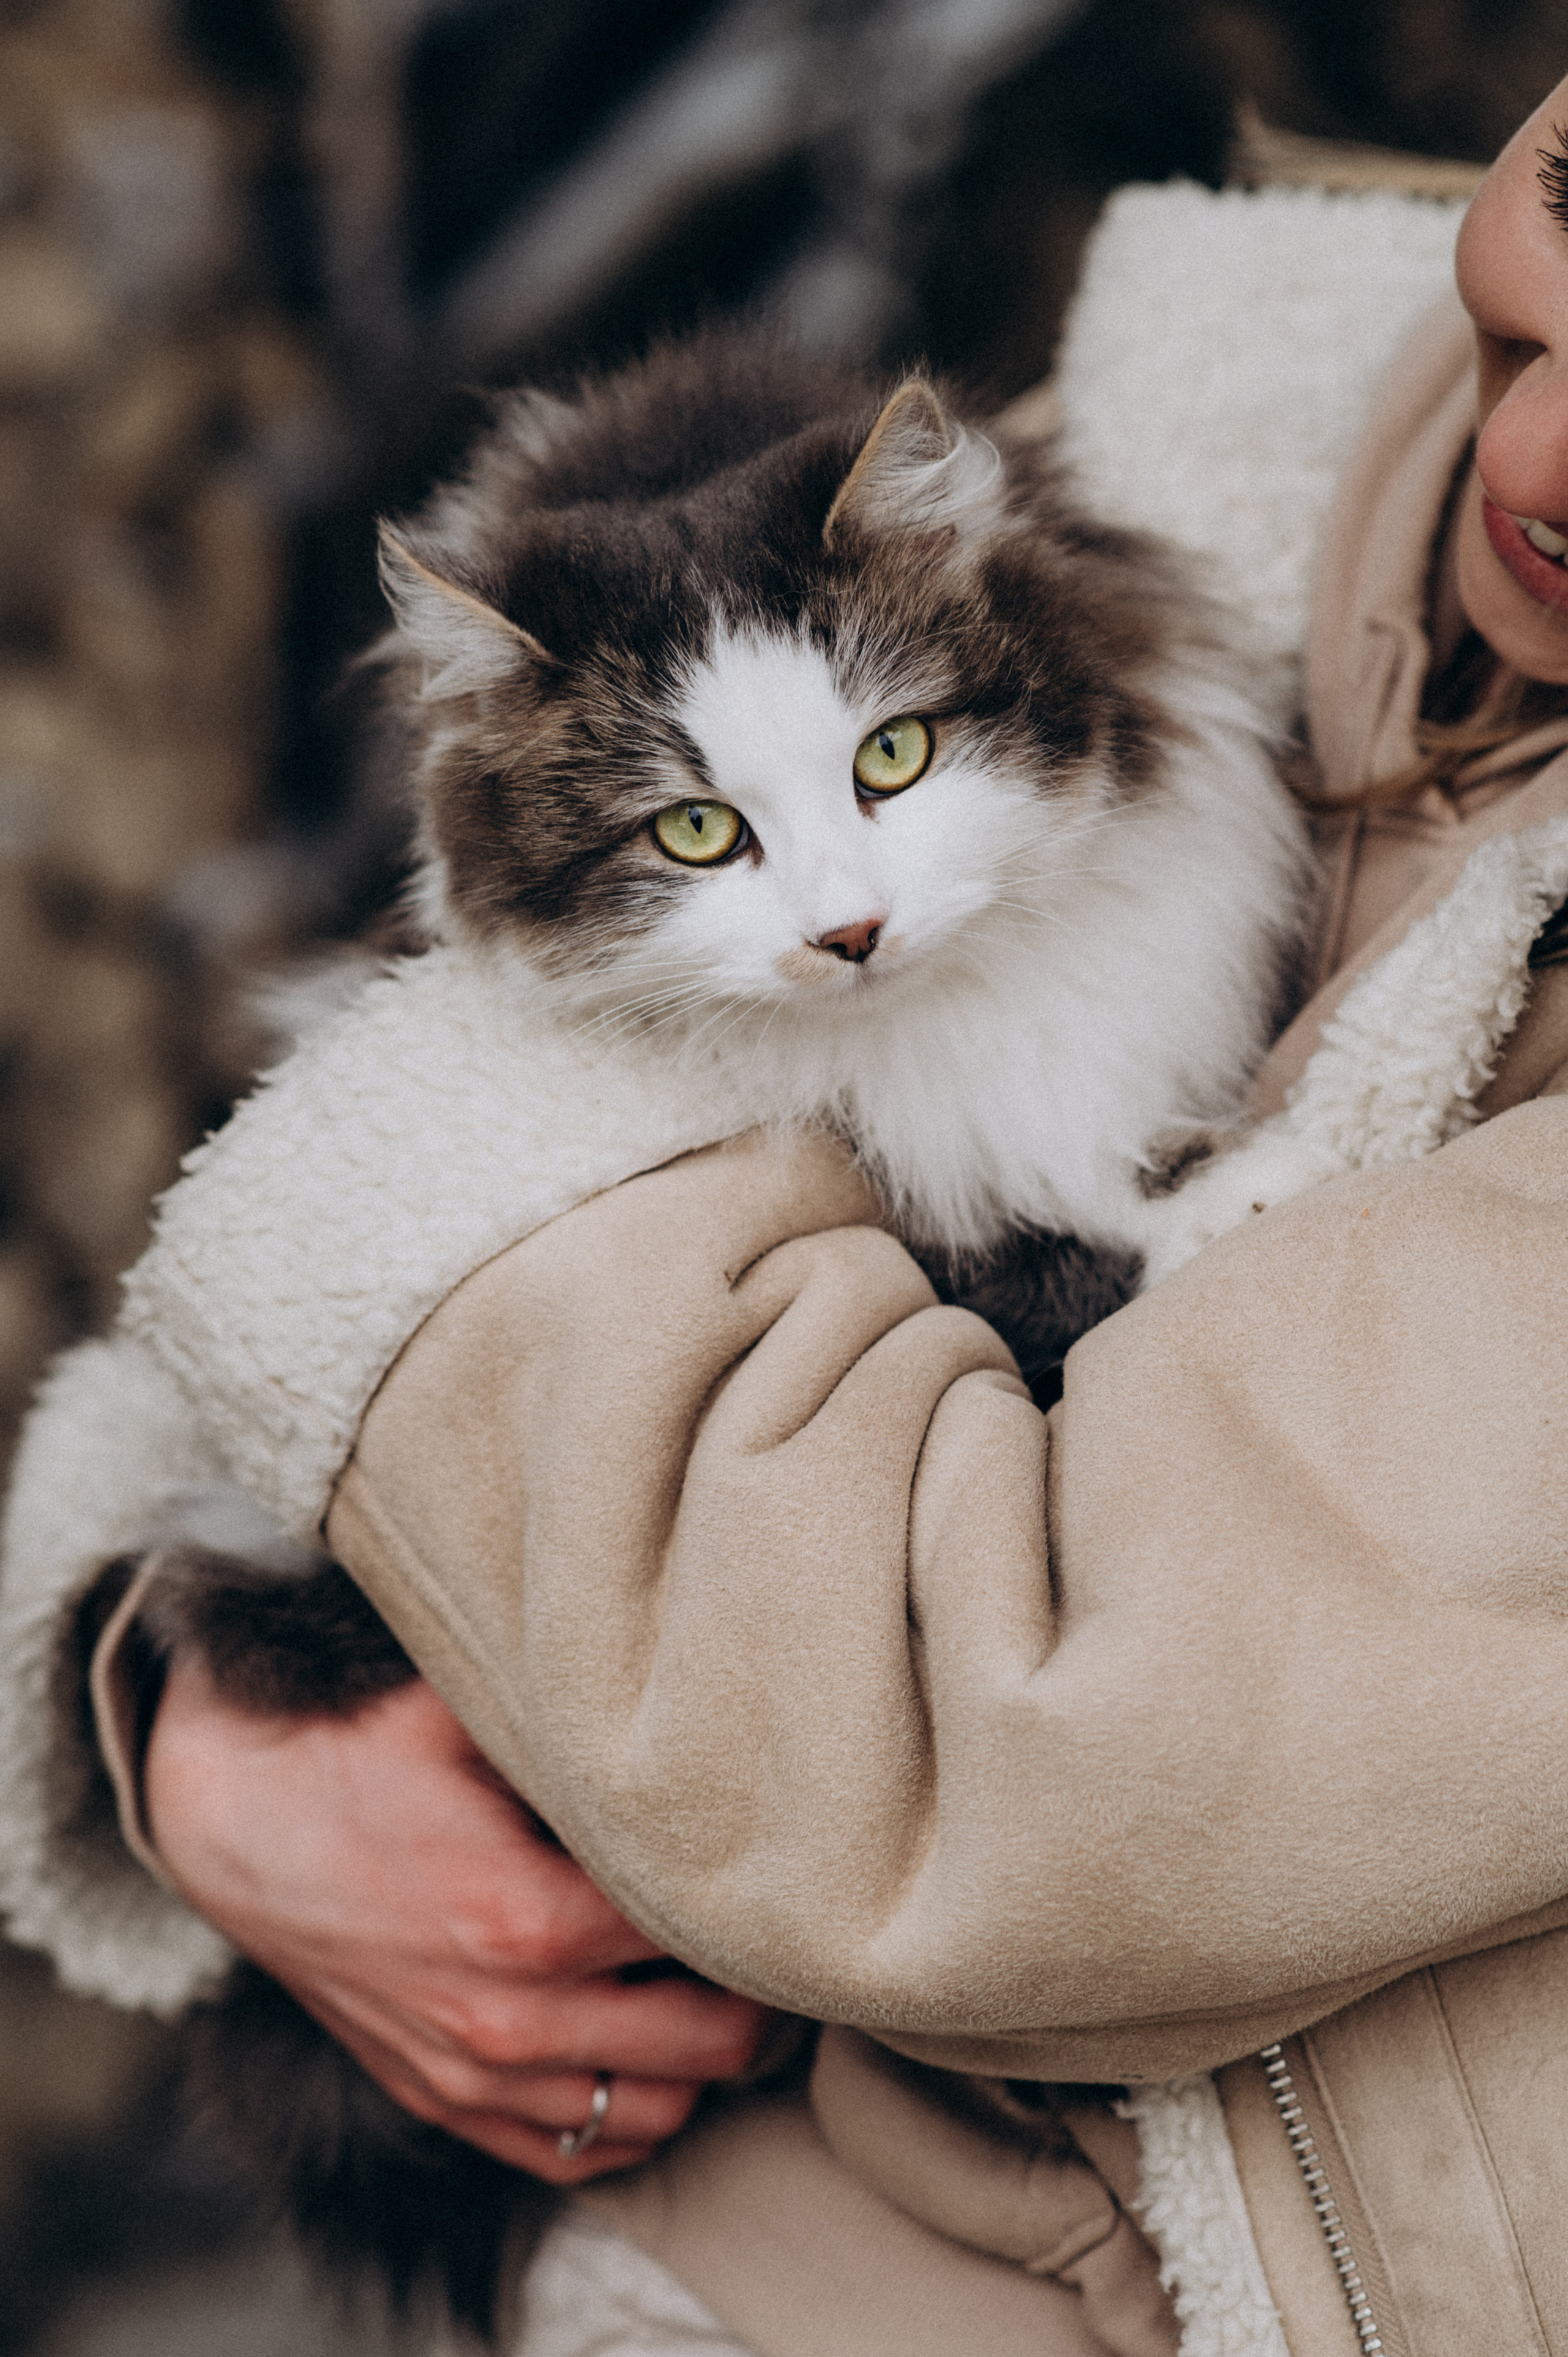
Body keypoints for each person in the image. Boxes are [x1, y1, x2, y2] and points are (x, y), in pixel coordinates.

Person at [11, 72, 1568, 2357]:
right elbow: (244, 1332)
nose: (1530, 461)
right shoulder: (1208, 408)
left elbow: (990, 1773)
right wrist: (176, 1712)